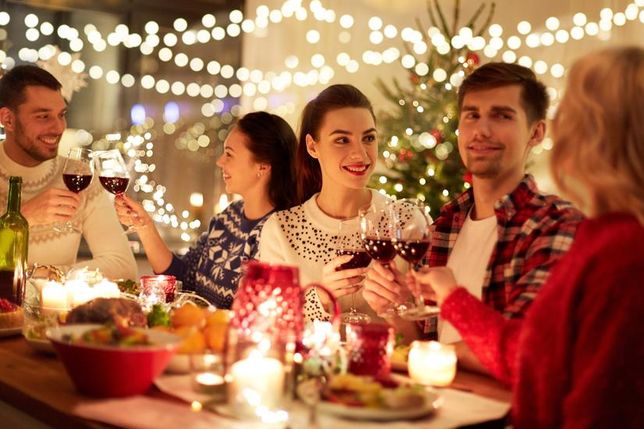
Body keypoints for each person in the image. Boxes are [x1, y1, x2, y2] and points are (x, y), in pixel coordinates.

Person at [413, 46, 644, 429]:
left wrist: (452, 301)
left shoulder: (609, 247)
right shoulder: (447, 220)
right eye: (471, 115)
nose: (564, 126)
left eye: (575, 112)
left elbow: (534, 365)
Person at [364, 62, 584, 361]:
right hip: (438, 404)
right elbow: (428, 338)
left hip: (506, 409)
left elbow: (527, 355)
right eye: (472, 115)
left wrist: (437, 351)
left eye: (502, 116)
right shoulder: (445, 224)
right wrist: (397, 308)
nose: (481, 130)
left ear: (536, 132)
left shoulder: (555, 224)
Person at [116, 111, 298, 308]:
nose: (220, 161)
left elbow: (253, 314)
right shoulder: (227, 218)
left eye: (229, 154)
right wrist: (144, 226)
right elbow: (183, 277)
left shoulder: (279, 232)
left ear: (262, 167)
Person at [259, 84, 390, 322]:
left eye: (368, 138)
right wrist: (318, 298)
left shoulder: (404, 221)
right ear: (312, 146)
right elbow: (269, 326)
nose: (360, 154)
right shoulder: (281, 230)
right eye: (342, 140)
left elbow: (427, 329)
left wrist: (399, 304)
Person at [0, 65, 136, 279]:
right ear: (8, 119)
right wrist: (23, 219)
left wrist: (49, 274)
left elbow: (123, 266)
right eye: (43, 117)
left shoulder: (80, 176)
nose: (58, 127)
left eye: (61, 115)